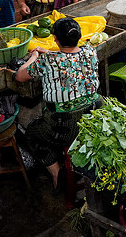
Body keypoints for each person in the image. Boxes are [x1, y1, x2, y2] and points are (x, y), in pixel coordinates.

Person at [15, 18, 101, 189]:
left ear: (55, 38)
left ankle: (56, 172)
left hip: (65, 126)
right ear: (79, 36)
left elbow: (20, 75)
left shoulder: (47, 60)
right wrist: (48, 54)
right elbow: (69, 57)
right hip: (94, 117)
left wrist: (34, 56)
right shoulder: (90, 51)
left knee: (30, 133)